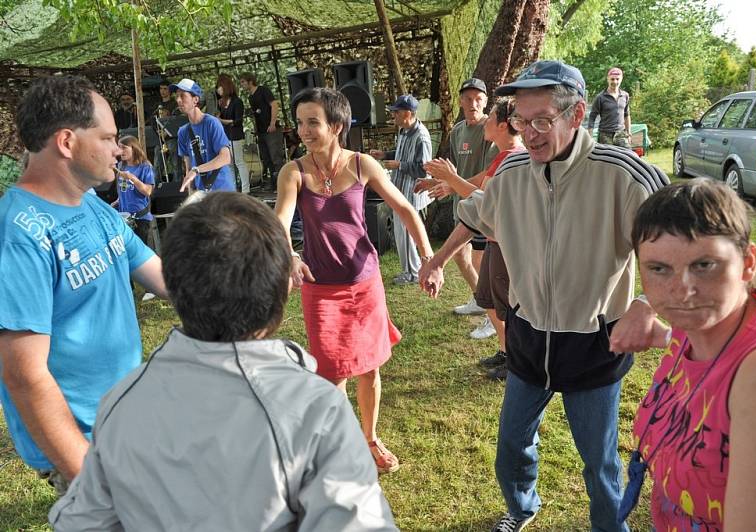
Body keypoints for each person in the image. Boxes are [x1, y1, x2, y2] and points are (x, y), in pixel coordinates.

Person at [48, 192, 398, 531]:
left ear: (172, 285)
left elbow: (85, 518)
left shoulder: (119, 404)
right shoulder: (315, 410)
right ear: (280, 290)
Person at [418, 60, 669, 532]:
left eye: (541, 121)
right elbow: (475, 215)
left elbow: (677, 242)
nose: (529, 134)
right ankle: (521, 507)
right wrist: (435, 261)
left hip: (595, 343)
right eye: (521, 121)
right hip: (529, 336)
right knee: (512, 446)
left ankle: (609, 527)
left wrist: (645, 304)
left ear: (576, 116)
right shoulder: (512, 172)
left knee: (598, 462)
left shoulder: (623, 175)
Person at [0, 75, 167, 494]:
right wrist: (88, 476)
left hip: (129, 420)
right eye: (108, 138)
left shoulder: (92, 205)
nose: (118, 150)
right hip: (88, 449)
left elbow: (162, 276)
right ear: (67, 142)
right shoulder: (18, 234)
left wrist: (253, 274)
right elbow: (24, 374)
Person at [621, 179, 756, 531]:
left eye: (704, 265)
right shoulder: (700, 325)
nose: (681, 290)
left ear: (748, 263)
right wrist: (658, 332)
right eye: (659, 269)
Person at [275, 88, 433, 475]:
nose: (304, 130)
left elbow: (405, 209)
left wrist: (429, 258)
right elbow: (280, 220)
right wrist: (291, 255)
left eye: (313, 122)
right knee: (331, 374)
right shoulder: (293, 171)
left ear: (337, 126)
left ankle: (369, 437)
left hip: (365, 284)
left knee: (370, 368)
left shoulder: (362, 165)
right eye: (300, 122)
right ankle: (340, 443)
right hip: (321, 289)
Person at [418, 97, 525, 379]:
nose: (486, 122)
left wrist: (452, 178)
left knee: (510, 309)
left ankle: (516, 361)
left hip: (506, 247)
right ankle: (506, 351)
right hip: (493, 242)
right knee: (489, 300)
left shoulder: (515, 158)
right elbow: (479, 191)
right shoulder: (503, 157)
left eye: (491, 117)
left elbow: (484, 202)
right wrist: (446, 182)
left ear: (504, 124)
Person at [444, 78, 499, 339]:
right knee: (460, 257)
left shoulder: (492, 129)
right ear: (461, 101)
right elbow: (454, 171)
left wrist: (453, 185)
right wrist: (438, 182)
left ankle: (494, 315)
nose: (473, 103)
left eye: (478, 99)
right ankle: (480, 300)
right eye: (468, 98)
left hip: (483, 206)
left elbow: (489, 173)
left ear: (486, 101)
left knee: (481, 262)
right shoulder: (456, 131)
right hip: (462, 205)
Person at [369, 94, 433, 285]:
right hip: (400, 190)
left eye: (396, 112)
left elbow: (424, 168)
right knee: (401, 233)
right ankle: (409, 271)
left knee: (406, 233)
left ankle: (413, 274)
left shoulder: (422, 136)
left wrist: (399, 165)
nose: (393, 116)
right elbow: (401, 151)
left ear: (407, 113)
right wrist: (384, 154)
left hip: (411, 192)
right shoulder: (404, 131)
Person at [171, 78, 235, 193]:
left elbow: (226, 158)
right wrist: (190, 194)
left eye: (183, 96)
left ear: (195, 100)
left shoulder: (212, 123)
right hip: (202, 191)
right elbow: (188, 167)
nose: (179, 100)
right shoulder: (183, 132)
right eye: (177, 96)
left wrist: (197, 170)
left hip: (222, 190)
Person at [240, 72, 285, 192]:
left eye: (243, 82)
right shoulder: (250, 97)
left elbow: (274, 105)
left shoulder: (263, 90)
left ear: (250, 81)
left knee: (276, 158)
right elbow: (256, 115)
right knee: (266, 159)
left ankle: (283, 184)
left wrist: (272, 123)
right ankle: (273, 183)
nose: (242, 85)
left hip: (271, 130)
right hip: (261, 132)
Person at [115, 135, 155, 246]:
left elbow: (147, 191)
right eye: (119, 147)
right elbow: (124, 189)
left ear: (133, 148)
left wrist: (132, 178)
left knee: (139, 253)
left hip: (139, 219)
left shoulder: (145, 167)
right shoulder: (121, 166)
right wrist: (118, 201)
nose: (120, 151)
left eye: (124, 147)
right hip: (123, 217)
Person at [216, 73, 250, 193]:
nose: (217, 89)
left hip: (236, 135)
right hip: (226, 136)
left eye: (219, 86)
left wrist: (222, 120)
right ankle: (233, 189)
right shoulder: (221, 103)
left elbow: (238, 121)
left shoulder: (237, 102)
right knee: (229, 164)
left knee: (239, 162)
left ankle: (246, 189)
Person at [588, 67, 631, 148]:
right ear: (608, 79)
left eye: (617, 79)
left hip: (621, 134)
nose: (615, 82)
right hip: (605, 134)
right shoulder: (600, 97)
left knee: (627, 155)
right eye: (612, 79)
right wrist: (590, 136)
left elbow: (627, 115)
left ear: (621, 79)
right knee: (607, 159)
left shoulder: (625, 95)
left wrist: (629, 133)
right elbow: (592, 117)